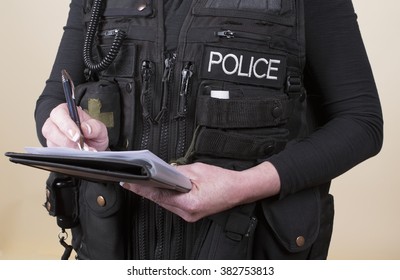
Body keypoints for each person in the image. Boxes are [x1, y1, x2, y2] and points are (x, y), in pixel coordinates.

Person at [35, 0, 383, 260]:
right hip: (112, 249)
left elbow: (361, 123)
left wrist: (244, 186)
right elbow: (52, 101)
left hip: (247, 251)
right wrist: (65, 129)